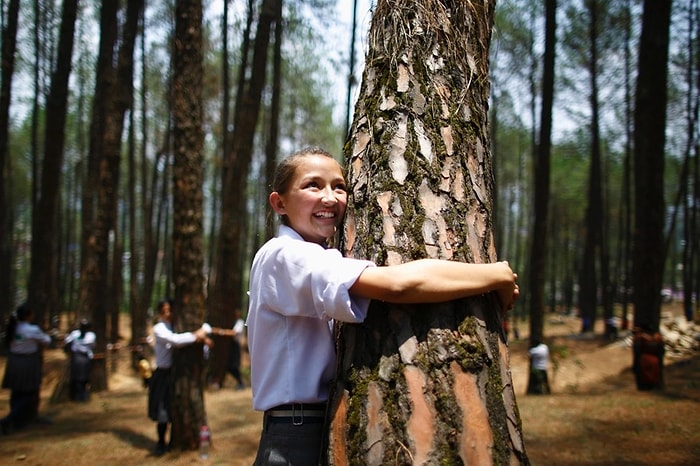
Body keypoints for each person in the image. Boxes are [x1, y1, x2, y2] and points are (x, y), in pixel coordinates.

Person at [246, 147, 520, 465]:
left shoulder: (307, 256)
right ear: (279, 203)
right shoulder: (285, 254)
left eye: (339, 186)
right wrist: (495, 274)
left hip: (313, 426)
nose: (330, 198)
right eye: (313, 185)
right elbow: (397, 285)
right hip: (296, 437)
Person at [148, 299, 212, 456]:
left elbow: (204, 329)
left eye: (170, 310)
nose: (168, 314)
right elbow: (175, 340)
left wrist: (203, 332)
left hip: (175, 374)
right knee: (163, 412)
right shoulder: (159, 328)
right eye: (164, 311)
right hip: (163, 374)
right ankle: (161, 442)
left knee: (175, 408)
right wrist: (197, 334)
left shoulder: (176, 325)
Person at [1, 303, 52, 434]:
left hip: (14, 362)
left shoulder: (13, 328)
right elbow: (46, 340)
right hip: (28, 362)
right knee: (29, 393)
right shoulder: (31, 329)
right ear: (28, 315)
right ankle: (8, 420)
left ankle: (17, 421)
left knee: (16, 392)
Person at [212, 309, 246, 389]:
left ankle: (241, 383)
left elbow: (234, 333)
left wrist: (221, 332)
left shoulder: (239, 322)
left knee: (233, 366)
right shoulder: (232, 322)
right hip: (230, 346)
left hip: (235, 345)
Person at [64, 319, 96, 402]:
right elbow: (92, 345)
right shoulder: (91, 335)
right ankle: (82, 396)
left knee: (80, 377)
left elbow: (67, 341)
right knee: (82, 377)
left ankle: (81, 396)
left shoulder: (75, 333)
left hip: (78, 357)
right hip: (84, 357)